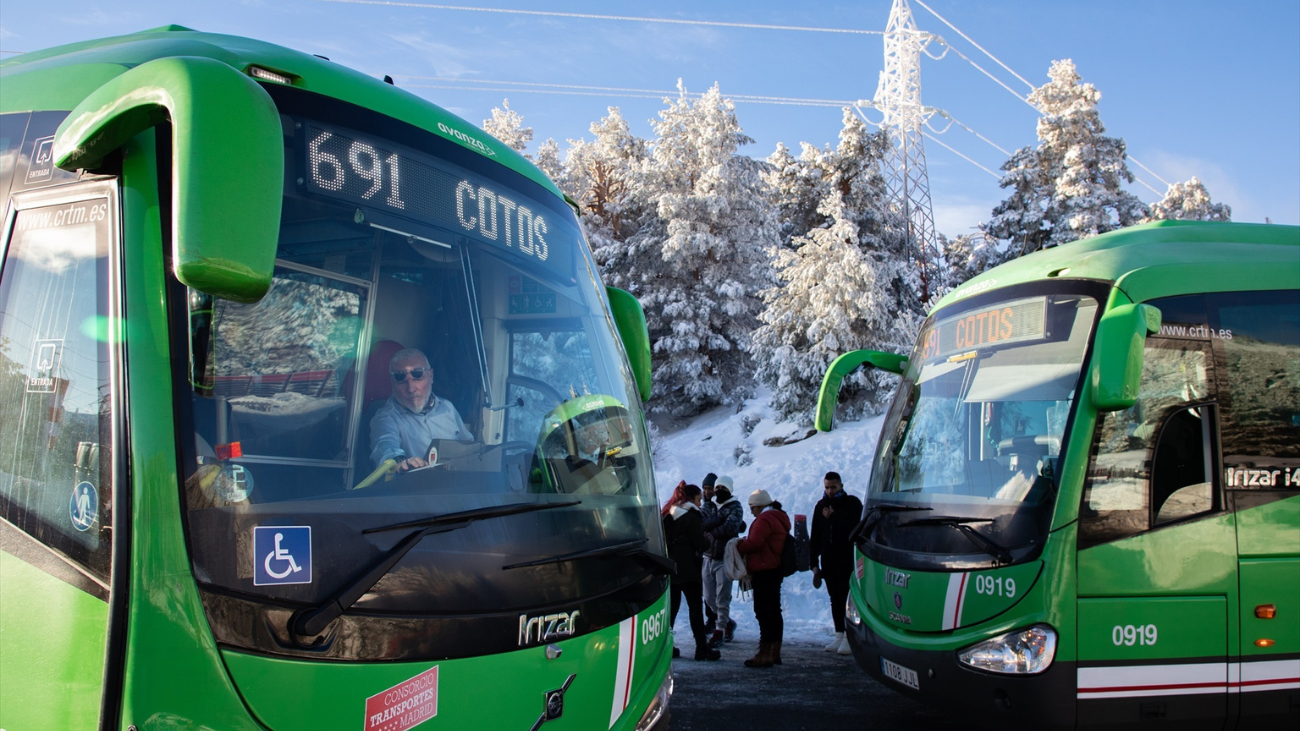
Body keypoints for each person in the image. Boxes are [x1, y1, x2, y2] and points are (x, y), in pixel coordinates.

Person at [369, 348, 472, 472]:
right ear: (392, 383)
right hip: (413, 488)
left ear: (431, 376)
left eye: (417, 376)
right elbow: (385, 446)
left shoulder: (447, 407)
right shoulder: (386, 418)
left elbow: (468, 447)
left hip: (452, 487)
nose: (411, 388)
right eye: (400, 379)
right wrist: (400, 462)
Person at [663, 482, 721, 661]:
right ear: (691, 499)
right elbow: (699, 542)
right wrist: (707, 542)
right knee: (695, 609)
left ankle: (667, 647)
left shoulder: (669, 513)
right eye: (698, 500)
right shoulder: (692, 515)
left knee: (671, 610)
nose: (700, 504)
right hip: (689, 568)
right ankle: (701, 648)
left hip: (672, 567)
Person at [810, 470, 864, 655]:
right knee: (834, 599)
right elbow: (815, 534)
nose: (830, 491)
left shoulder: (852, 504)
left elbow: (855, 528)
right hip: (829, 560)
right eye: (827, 487)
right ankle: (839, 634)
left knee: (846, 598)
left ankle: (850, 636)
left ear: (841, 485)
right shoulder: (820, 506)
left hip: (846, 559)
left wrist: (834, 517)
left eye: (833, 487)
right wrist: (813, 561)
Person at [736, 489, 790, 669]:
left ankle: (765, 653)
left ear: (759, 506)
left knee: (763, 611)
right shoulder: (778, 517)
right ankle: (775, 651)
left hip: (764, 569)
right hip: (775, 569)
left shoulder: (765, 519)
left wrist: (739, 546)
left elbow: (754, 543)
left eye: (752, 508)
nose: (751, 512)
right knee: (774, 610)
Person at [700, 474, 744, 647]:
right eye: (717, 488)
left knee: (722, 596)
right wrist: (717, 520)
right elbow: (701, 524)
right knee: (709, 597)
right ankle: (727, 622)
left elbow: (730, 528)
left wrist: (711, 529)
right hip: (708, 556)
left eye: (723, 488)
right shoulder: (709, 505)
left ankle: (719, 630)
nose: (719, 491)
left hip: (724, 557)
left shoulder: (735, 506)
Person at [698, 473, 719, 633]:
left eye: (710, 488)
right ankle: (712, 619)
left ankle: (720, 622)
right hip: (705, 553)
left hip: (719, 554)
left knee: (719, 592)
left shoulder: (721, 506)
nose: (707, 492)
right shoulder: (703, 507)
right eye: (704, 488)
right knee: (708, 592)